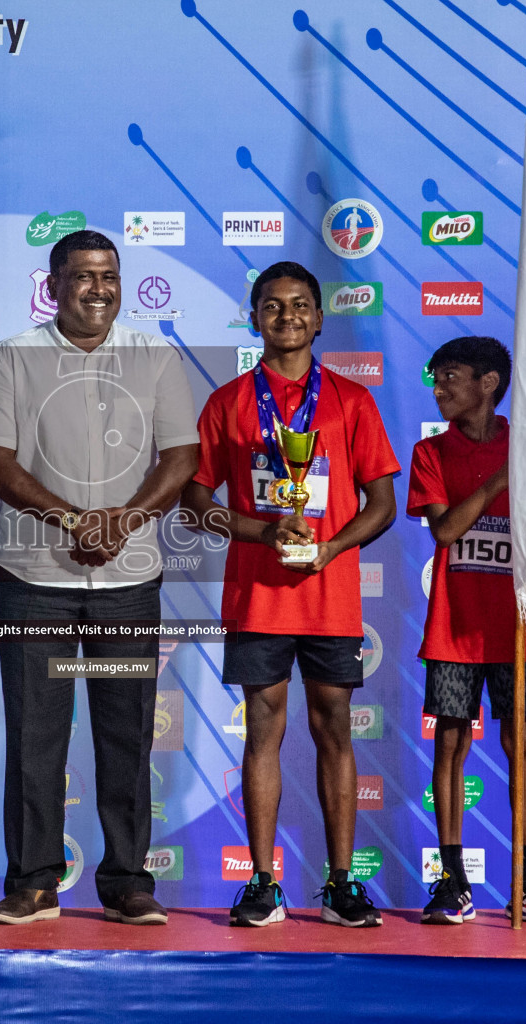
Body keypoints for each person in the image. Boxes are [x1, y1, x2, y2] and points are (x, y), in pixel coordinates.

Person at [0, 229, 199, 926]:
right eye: (82, 276)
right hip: (34, 579)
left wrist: (120, 523)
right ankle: (34, 882)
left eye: (109, 275)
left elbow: (181, 457)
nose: (98, 288)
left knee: (126, 735)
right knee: (37, 734)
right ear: (53, 284)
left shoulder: (156, 356)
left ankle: (128, 881)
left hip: (129, 581)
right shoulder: (12, 357)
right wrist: (75, 521)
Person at [181, 261, 397, 928]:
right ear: (254, 319)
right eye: (272, 307)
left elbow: (382, 503)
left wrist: (330, 548)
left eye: (300, 305)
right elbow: (193, 501)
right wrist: (260, 531)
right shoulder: (227, 403)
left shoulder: (352, 402)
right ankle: (262, 882)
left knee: (334, 727)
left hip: (329, 595)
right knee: (263, 731)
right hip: (259, 596)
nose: (287, 317)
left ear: (320, 318)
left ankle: (340, 883)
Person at [407, 335, 526, 926]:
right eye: (437, 378)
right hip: (454, 628)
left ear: (488, 383)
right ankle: (452, 880)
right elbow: (446, 531)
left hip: (518, 629)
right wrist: (496, 484)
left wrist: (524, 468)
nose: (438, 388)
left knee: (523, 746)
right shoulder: (431, 453)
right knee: (451, 747)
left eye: (449, 376)